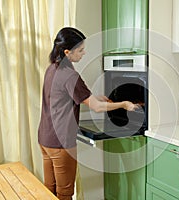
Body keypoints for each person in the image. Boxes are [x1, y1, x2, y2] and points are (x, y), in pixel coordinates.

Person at [38, 27, 139, 200]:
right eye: (80, 50)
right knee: (65, 193)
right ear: (67, 52)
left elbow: (62, 98)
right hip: (61, 144)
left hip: (45, 140)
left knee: (50, 189)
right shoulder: (70, 75)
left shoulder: (52, 68)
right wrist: (124, 104)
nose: (84, 53)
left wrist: (94, 97)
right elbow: (97, 108)